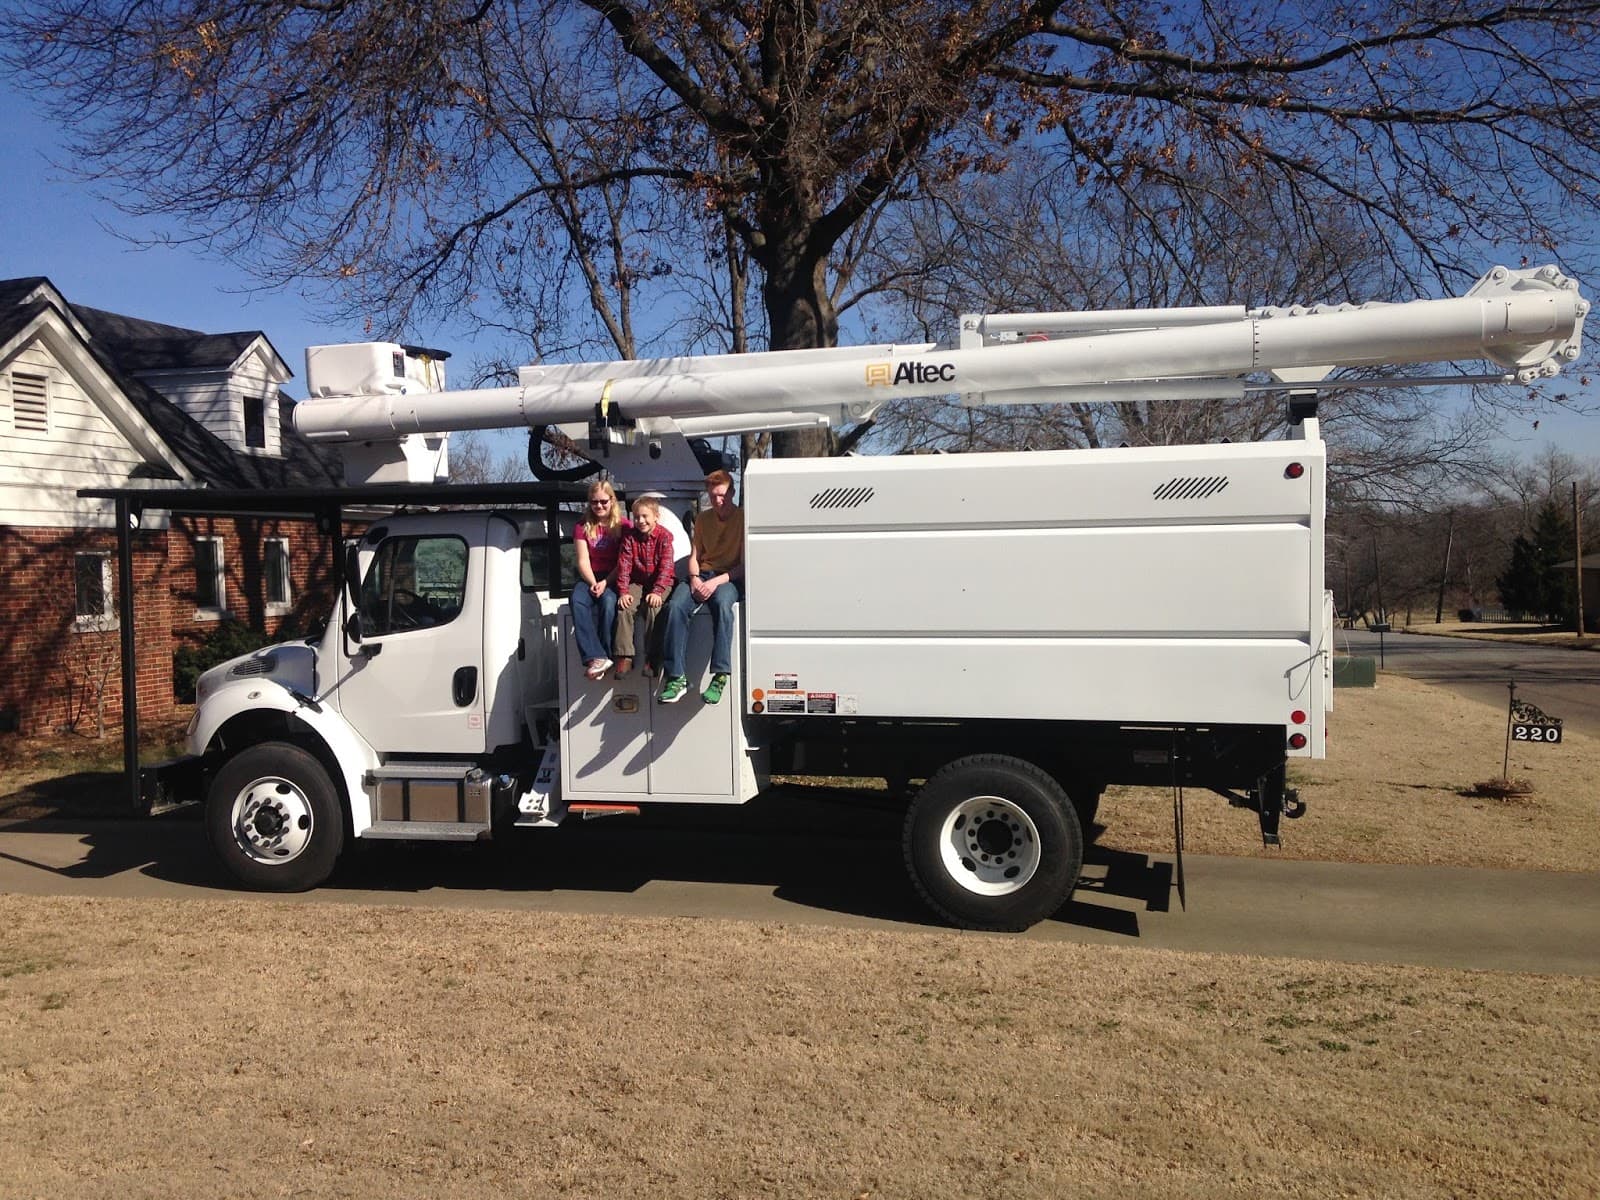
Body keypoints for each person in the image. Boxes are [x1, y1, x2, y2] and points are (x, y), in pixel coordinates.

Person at [660, 469, 744, 705]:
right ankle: (676, 677)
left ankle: (720, 675)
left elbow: (744, 567)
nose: (718, 500)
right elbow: (694, 556)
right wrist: (695, 578)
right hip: (703, 574)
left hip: (729, 578)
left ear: (733, 492)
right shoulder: (703, 519)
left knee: (723, 604)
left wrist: (715, 582)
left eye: (723, 495)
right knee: (675, 606)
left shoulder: (744, 518)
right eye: (714, 495)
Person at [612, 494, 678, 679]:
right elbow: (624, 566)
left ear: (656, 516)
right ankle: (625, 655)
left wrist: (657, 591)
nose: (641, 521)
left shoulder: (664, 537)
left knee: (653, 608)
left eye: (645, 516)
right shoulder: (629, 539)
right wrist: (624, 591)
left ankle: (653, 657)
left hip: (661, 581)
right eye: (637, 517)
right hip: (638, 580)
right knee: (624, 607)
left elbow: (666, 567)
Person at [571, 479, 629, 681]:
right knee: (577, 601)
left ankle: (605, 653)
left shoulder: (624, 526)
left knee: (609, 602)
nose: (599, 506)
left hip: (613, 576)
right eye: (595, 502)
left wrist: (605, 583)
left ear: (612, 500)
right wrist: (593, 582)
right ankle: (594, 656)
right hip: (590, 576)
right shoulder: (582, 526)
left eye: (604, 501)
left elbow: (624, 561)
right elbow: (582, 559)